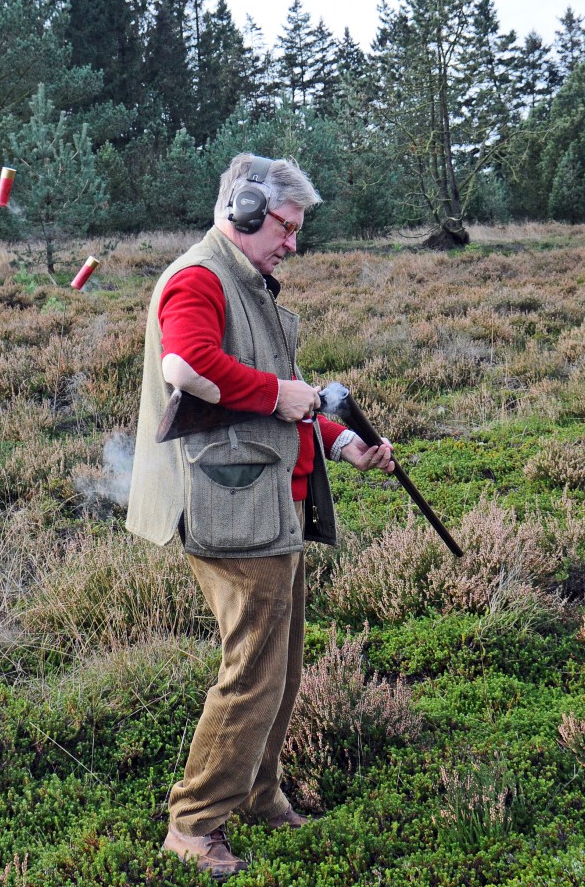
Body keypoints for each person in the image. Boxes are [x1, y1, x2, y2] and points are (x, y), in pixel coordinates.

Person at [126, 153, 394, 879]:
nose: (292, 243)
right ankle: (192, 825)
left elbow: (290, 392)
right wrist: (276, 395)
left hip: (266, 500)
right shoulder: (200, 277)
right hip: (231, 505)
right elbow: (187, 368)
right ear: (242, 210)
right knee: (251, 673)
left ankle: (257, 794)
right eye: (284, 226)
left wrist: (341, 441)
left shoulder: (246, 281)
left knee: (278, 666)